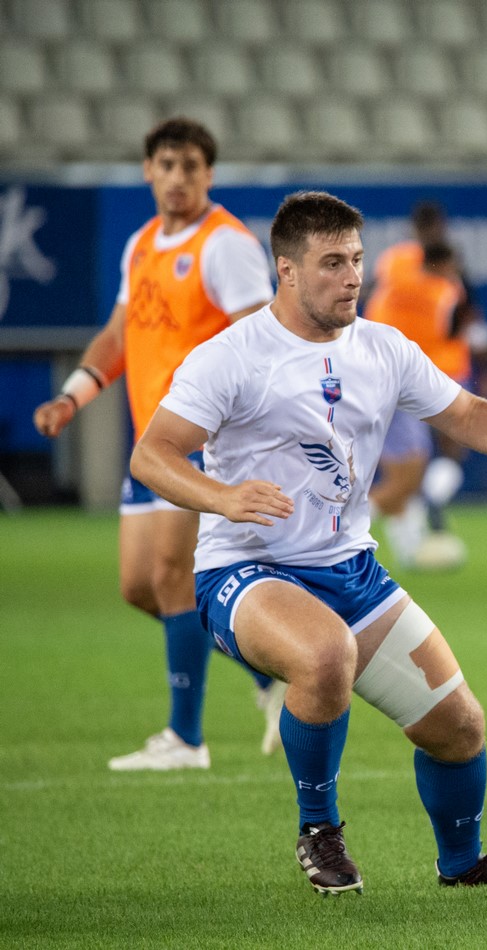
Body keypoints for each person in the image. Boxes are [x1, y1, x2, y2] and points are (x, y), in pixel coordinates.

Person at [128, 190, 487, 894]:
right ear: (286, 271)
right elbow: (151, 455)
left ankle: (460, 866)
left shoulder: (382, 347)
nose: (351, 277)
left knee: (459, 727)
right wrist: (222, 497)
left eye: (357, 260)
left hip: (350, 571)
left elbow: (464, 415)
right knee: (324, 653)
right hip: (246, 572)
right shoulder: (233, 356)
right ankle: (320, 830)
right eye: (332, 262)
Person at [32, 117, 282, 770]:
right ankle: (266, 672)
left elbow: (258, 339)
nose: (178, 178)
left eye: (191, 166)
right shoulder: (142, 242)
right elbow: (118, 336)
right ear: (148, 170)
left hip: (201, 439)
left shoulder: (224, 244)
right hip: (152, 440)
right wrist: (73, 396)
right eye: (167, 165)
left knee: (174, 577)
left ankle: (185, 739)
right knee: (139, 588)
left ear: (209, 174)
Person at [367, 203, 487, 570]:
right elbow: (468, 324)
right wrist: (485, 367)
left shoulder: (394, 264)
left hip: (386, 373)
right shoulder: (447, 285)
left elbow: (368, 301)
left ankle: (410, 542)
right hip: (428, 376)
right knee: (418, 469)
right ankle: (345, 534)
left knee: (403, 472)